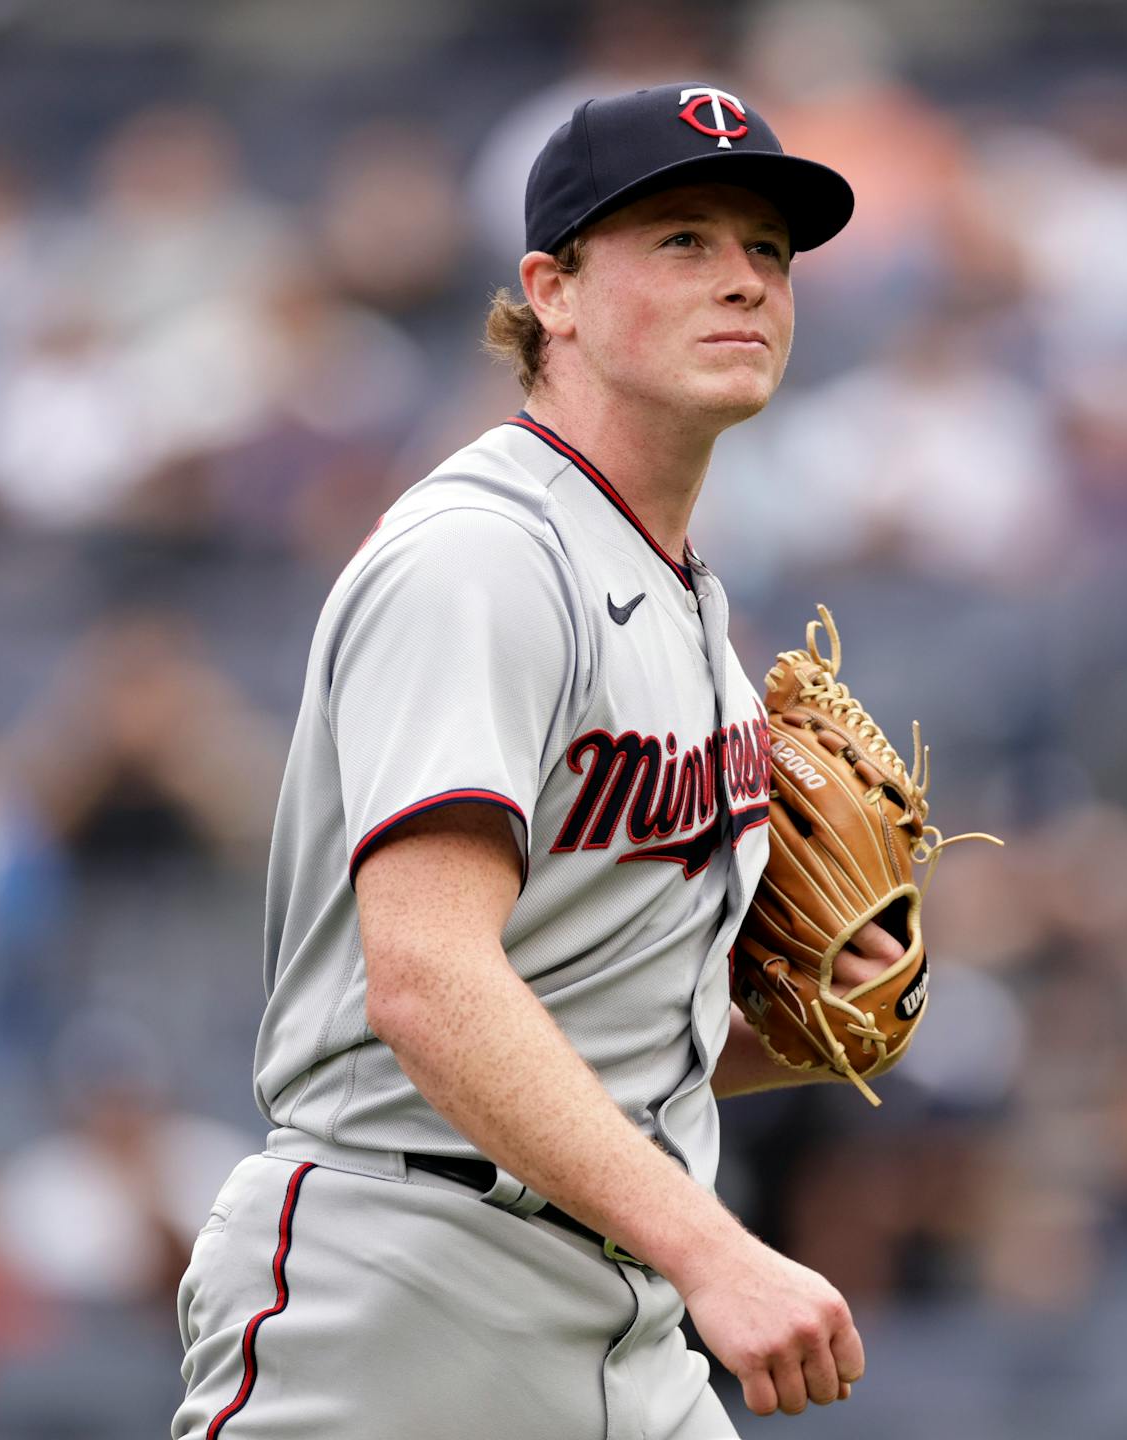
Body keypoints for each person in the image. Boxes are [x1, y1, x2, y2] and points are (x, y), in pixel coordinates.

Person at [172, 83, 903, 1440]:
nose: (743, 280)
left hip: (612, 1295)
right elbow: (431, 981)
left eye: (768, 251)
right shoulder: (483, 555)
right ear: (551, 292)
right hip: (403, 1280)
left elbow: (576, 1033)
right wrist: (713, 1247)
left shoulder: (693, 613)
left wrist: (789, 1026)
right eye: (684, 240)